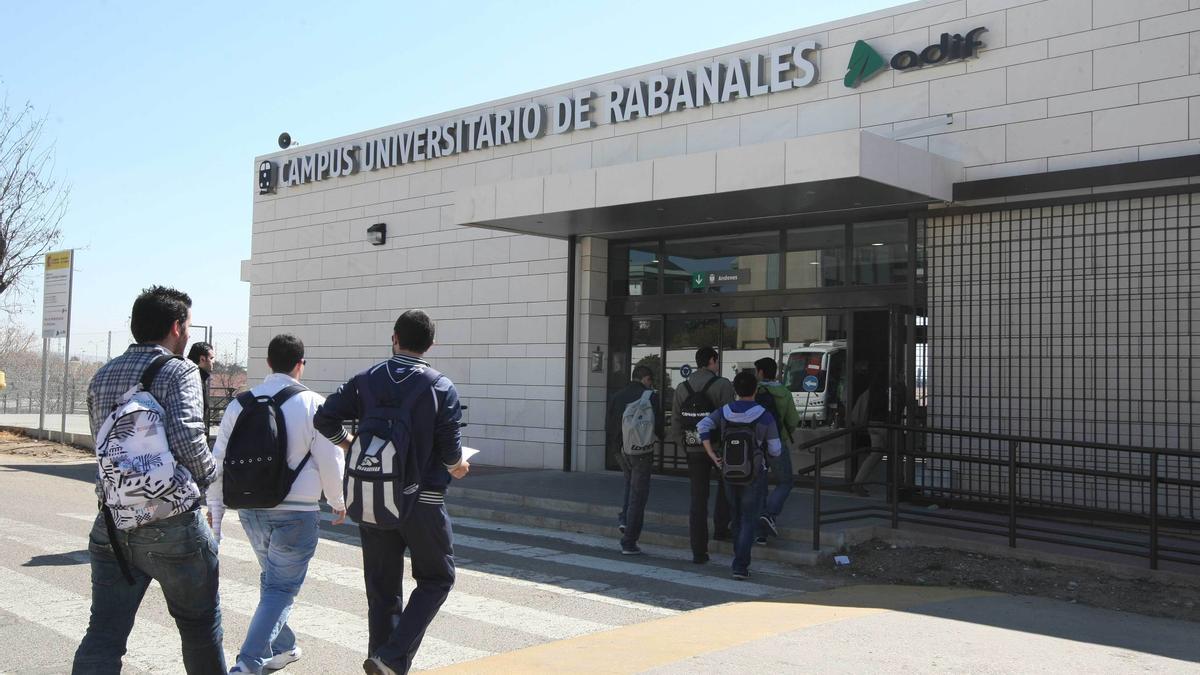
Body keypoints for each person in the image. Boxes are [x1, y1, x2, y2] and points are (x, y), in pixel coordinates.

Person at [73, 286, 225, 673]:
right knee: (198, 627)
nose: (189, 333)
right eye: (188, 325)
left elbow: (102, 444)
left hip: (113, 520)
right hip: (173, 524)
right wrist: (209, 479)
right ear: (176, 326)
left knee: (105, 632)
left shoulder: (102, 375)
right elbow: (189, 440)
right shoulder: (181, 370)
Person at [313, 310, 470, 675]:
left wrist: (349, 445)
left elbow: (325, 418)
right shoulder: (440, 386)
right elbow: (450, 453)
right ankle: (392, 658)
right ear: (431, 343)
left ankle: (381, 660)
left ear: (394, 337)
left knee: (382, 590)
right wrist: (458, 467)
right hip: (423, 501)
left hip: (371, 495)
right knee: (437, 578)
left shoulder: (365, 380)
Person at [208, 334, 348, 674]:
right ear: (301, 364)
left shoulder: (239, 404)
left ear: (269, 363)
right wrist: (338, 501)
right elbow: (331, 458)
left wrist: (216, 511)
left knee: (273, 582)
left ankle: (283, 647)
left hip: (252, 512)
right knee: (281, 587)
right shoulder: (314, 403)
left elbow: (218, 460)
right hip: (297, 513)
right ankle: (249, 663)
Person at [697, 371, 782, 580]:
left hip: (728, 471)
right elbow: (776, 449)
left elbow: (702, 426)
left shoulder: (724, 411)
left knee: (735, 517)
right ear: (755, 389)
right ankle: (740, 565)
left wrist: (712, 455)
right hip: (754, 474)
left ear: (735, 389)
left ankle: (738, 559)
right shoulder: (764, 414)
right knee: (748, 519)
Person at [671, 346, 735, 564]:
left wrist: (686, 446)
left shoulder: (682, 387)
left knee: (698, 499)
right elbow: (729, 419)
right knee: (727, 489)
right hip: (718, 448)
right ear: (712, 360)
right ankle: (721, 527)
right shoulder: (723, 385)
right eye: (716, 361)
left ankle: (699, 551)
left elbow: (676, 422)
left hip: (694, 449)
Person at [606, 364, 663, 555]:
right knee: (639, 495)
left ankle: (624, 518)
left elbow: (609, 424)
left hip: (620, 451)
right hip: (641, 452)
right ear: (646, 378)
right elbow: (659, 426)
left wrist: (617, 447)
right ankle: (629, 541)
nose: (650, 384)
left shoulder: (616, 396)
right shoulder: (650, 397)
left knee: (630, 484)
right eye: (650, 380)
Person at [753, 356, 800, 544]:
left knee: (760, 487)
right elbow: (793, 421)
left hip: (756, 445)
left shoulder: (753, 390)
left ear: (761, 372)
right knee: (785, 482)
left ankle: (760, 535)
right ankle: (770, 514)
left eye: (757, 371)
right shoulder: (784, 392)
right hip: (777, 443)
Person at [187, 341, 215, 429]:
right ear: (202, 359)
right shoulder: (192, 380)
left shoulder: (197, 377)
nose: (213, 362)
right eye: (211, 358)